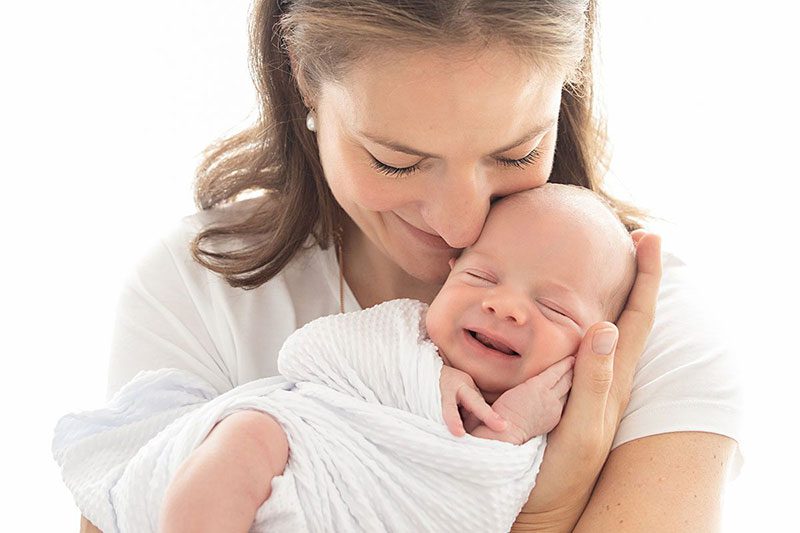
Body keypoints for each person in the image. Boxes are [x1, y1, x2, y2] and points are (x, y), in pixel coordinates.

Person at [76, 1, 743, 531]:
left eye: (516, 150)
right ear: (301, 78)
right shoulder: (201, 289)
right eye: (396, 160)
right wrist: (549, 512)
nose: (459, 224)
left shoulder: (645, 331)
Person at [152, 184, 636, 532]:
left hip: (375, 514)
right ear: (448, 277)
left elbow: (477, 500)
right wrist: (427, 379)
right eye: (483, 278)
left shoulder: (558, 425)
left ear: (595, 345)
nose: (503, 306)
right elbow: (307, 356)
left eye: (552, 307)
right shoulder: (405, 332)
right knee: (251, 430)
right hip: (300, 465)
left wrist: (509, 428)